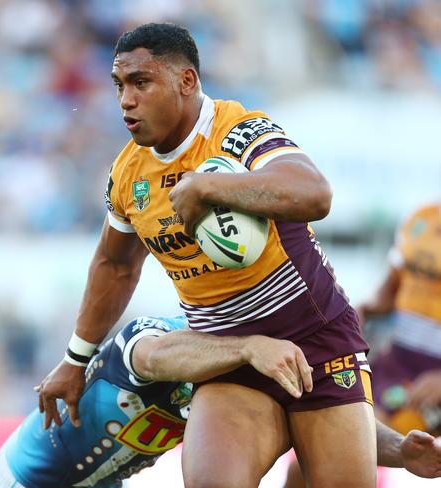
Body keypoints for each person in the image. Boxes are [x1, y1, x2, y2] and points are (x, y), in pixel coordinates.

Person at [38, 23, 375, 488]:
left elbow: (315, 194)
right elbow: (115, 265)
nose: (125, 100)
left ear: (186, 81)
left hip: (316, 343)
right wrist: (75, 360)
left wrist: (210, 185)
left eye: (141, 82)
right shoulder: (126, 174)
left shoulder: (238, 131)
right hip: (227, 356)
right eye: (119, 85)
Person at [0, 316, 441, 487]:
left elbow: (325, 417)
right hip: (25, 478)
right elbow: (151, 354)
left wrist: (401, 450)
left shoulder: (249, 374)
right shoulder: (159, 335)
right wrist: (246, 348)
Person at [359, 202, 441, 435]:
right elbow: (389, 291)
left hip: (436, 373)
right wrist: (361, 309)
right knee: (344, 441)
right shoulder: (421, 217)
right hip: (399, 361)